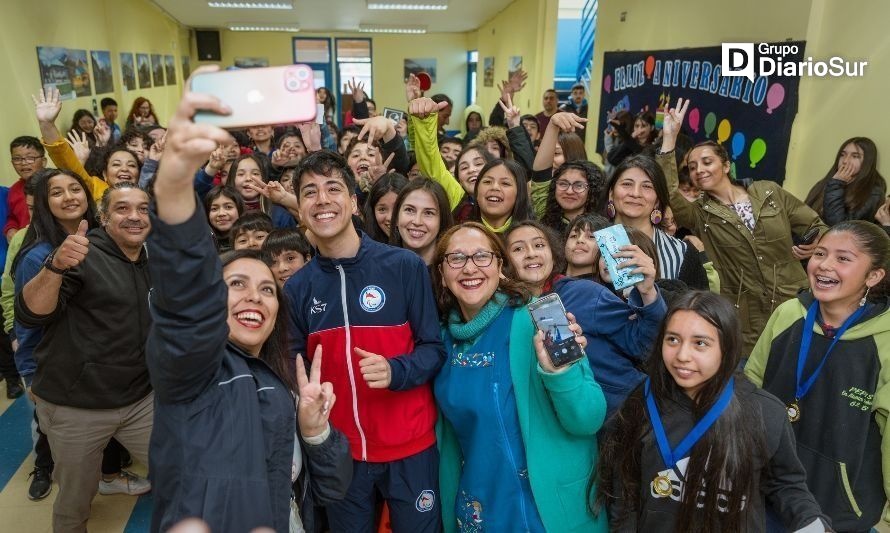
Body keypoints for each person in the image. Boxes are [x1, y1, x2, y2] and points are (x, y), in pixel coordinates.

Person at [146, 78, 352, 532]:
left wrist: (316, 432)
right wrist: (175, 188)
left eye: (266, 289)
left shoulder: (283, 374)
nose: (253, 296)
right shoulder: (196, 370)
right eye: (235, 284)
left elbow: (332, 490)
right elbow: (185, 306)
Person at [285, 149, 446, 532]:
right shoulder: (297, 287)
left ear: (354, 202)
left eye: (333, 188)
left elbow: (433, 349)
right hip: (341, 453)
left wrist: (396, 370)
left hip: (411, 447)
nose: (322, 200)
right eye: (309, 192)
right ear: (302, 208)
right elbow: (292, 363)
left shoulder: (404, 266)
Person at [595, 291, 831, 532]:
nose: (682, 356)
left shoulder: (765, 412)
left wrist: (809, 521)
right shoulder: (641, 403)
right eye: (672, 340)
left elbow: (786, 484)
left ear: (726, 348)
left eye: (700, 343)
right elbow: (625, 491)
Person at [433, 222, 607, 532]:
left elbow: (589, 417)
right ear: (443, 275)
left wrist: (560, 374)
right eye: (456, 258)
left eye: (482, 256)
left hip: (551, 509)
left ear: (500, 267)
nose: (469, 267)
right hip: (483, 510)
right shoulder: (440, 343)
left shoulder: (543, 318)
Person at [16, 181, 154, 532]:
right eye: (123, 209)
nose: (135, 217)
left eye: (143, 208)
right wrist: (56, 267)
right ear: (103, 218)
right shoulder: (81, 252)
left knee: (182, 464)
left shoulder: (156, 257)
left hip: (140, 398)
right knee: (76, 499)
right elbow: (31, 313)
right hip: (76, 404)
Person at [746, 221, 890, 532]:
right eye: (821, 253)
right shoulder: (788, 314)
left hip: (844, 515)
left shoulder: (885, 340)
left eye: (843, 258)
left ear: (874, 276)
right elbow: (749, 392)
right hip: (767, 500)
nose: (824, 265)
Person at [658, 98, 827, 354]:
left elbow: (817, 225)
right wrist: (669, 139)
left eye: (707, 162)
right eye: (692, 168)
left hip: (795, 303)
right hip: (745, 319)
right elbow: (668, 191)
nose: (699, 170)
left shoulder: (769, 192)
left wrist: (817, 245)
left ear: (726, 165)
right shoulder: (699, 213)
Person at [505, 220, 666, 416]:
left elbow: (646, 346)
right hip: (564, 423)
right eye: (518, 248)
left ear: (554, 256)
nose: (531, 253)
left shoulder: (586, 293)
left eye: (539, 245)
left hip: (626, 414)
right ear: (503, 263)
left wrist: (648, 293)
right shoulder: (505, 312)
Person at [606, 154, 709, 290]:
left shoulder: (681, 253)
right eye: (627, 184)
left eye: (647, 187)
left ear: (657, 201)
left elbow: (698, 307)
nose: (635, 193)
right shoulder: (588, 240)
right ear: (611, 193)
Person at [530, 111, 606, 233]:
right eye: (563, 184)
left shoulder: (604, 227)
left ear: (592, 188)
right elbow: (540, 175)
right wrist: (552, 125)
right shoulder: (545, 212)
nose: (569, 191)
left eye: (579, 186)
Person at [805, 137, 886, 226]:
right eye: (842, 155)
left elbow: (839, 226)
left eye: (855, 156)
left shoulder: (873, 192)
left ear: (867, 161)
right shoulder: (827, 182)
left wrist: (836, 184)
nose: (845, 161)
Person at [390, 178, 454, 266]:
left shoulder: (454, 270)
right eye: (409, 210)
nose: (417, 221)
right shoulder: (379, 268)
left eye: (428, 213)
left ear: (442, 220)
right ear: (396, 217)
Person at [5, 136, 45, 241]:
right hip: (26, 244)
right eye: (17, 159)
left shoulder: (53, 183)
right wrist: (11, 228)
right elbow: (12, 216)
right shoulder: (13, 190)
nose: (24, 163)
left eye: (30, 158)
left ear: (44, 161)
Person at [363, 173, 408, 243]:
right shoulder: (365, 247)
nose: (390, 217)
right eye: (382, 209)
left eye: (397, 208)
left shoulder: (425, 247)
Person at [203, 186, 244, 253]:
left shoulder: (250, 239)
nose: (221, 213)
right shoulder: (201, 242)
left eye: (228, 207)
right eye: (214, 209)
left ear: (239, 209)